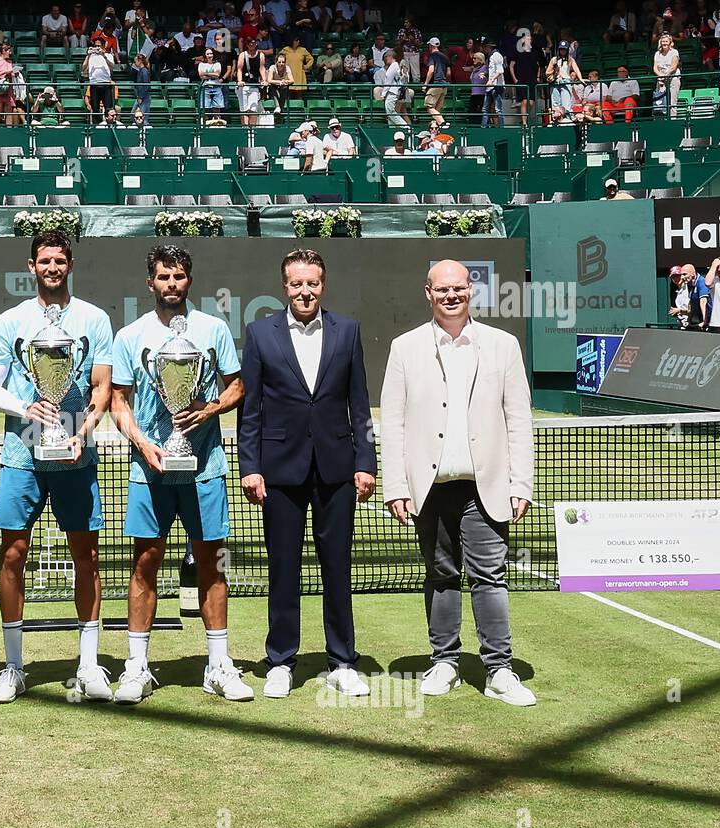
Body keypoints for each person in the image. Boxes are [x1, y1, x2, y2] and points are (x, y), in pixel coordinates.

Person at [380, 260, 536, 707]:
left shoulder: (503, 346)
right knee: (441, 574)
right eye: (441, 289)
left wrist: (520, 482)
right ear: (427, 293)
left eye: (459, 288)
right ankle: (444, 660)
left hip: (486, 486)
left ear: (472, 290)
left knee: (489, 575)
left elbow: (518, 419)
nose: (451, 295)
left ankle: (499, 670)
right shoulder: (404, 348)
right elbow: (392, 422)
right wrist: (396, 485)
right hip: (428, 488)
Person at [108, 245, 250, 704]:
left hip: (204, 465)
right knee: (145, 561)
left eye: (180, 276)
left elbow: (237, 386)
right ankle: (137, 668)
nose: (172, 283)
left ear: (190, 280)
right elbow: (119, 401)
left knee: (212, 561)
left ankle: (219, 665)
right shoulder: (130, 335)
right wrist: (143, 444)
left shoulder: (214, 329)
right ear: (150, 283)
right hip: (150, 468)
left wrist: (209, 409)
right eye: (164, 276)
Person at [0, 232, 115, 703]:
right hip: (22, 451)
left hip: (76, 449)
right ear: (31, 266)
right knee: (13, 554)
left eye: (59, 260)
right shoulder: (10, 320)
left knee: (87, 556)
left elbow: (101, 386)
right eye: (44, 261)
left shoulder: (94, 319)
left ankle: (90, 665)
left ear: (70, 265)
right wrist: (25, 407)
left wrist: (85, 429)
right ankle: (14, 667)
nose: (52, 267)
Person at [238, 247, 375, 699]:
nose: (305, 291)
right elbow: (251, 409)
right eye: (296, 283)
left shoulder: (348, 331)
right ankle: (280, 660)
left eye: (312, 283)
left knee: (338, 567)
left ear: (323, 284)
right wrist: (251, 468)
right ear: (284, 287)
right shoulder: (259, 333)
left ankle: (343, 661)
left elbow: (359, 405)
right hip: (279, 472)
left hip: (336, 470)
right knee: (283, 568)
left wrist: (365, 463)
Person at [83, 36, 116, 124]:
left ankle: (109, 125)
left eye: (99, 46)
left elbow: (112, 67)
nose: (97, 48)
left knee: (108, 108)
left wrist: (104, 56)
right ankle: (96, 126)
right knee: (95, 108)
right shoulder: (91, 56)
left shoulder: (108, 55)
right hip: (94, 84)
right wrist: (88, 56)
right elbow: (83, 69)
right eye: (96, 46)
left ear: (103, 46)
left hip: (106, 84)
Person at [545, 42, 580, 117]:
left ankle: (568, 120)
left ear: (567, 50)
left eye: (564, 49)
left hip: (566, 82)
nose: (562, 51)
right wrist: (555, 70)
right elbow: (547, 72)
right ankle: (557, 121)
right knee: (556, 105)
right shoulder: (554, 59)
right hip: (555, 82)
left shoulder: (570, 59)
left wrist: (581, 78)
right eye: (561, 49)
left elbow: (576, 69)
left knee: (566, 104)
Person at [652, 32, 680, 117]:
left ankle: (673, 119)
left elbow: (673, 67)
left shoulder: (674, 52)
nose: (664, 43)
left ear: (670, 43)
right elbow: (655, 68)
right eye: (663, 41)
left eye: (666, 41)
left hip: (672, 78)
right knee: (660, 101)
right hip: (661, 79)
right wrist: (660, 76)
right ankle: (661, 120)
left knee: (672, 102)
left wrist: (665, 76)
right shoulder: (657, 53)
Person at [196, 45, 226, 124]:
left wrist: (206, 73)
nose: (210, 56)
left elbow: (217, 75)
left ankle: (217, 123)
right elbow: (201, 75)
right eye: (208, 54)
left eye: (211, 54)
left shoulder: (217, 64)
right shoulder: (201, 64)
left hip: (216, 86)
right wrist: (212, 74)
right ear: (205, 55)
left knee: (217, 106)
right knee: (205, 107)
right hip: (205, 86)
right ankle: (204, 124)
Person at [422, 37, 449, 126]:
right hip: (444, 85)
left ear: (430, 45)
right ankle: (438, 127)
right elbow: (448, 73)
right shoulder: (445, 57)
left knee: (429, 107)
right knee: (437, 109)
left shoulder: (432, 56)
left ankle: (442, 123)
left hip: (436, 84)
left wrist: (425, 84)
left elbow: (431, 70)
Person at [482, 39, 504, 126]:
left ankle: (502, 127)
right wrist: (486, 74)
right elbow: (493, 71)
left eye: (485, 47)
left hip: (496, 86)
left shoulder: (496, 55)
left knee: (498, 109)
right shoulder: (490, 57)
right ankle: (483, 127)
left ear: (488, 47)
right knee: (485, 109)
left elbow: (500, 71)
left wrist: (491, 80)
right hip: (490, 87)